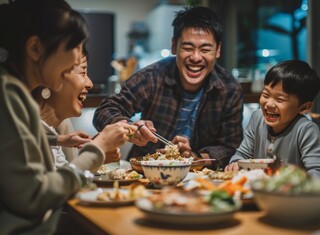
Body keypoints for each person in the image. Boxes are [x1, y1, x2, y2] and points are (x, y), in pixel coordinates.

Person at [0, 0, 136, 235]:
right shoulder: (8, 95)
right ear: (35, 48)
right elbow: (35, 196)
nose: (76, 58)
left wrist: (57, 140)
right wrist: (98, 149)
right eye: (72, 46)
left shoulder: (14, 91)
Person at [93, 6, 244, 168]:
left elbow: (231, 147)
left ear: (218, 50)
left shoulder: (229, 88)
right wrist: (132, 129)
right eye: (187, 48)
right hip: (145, 175)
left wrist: (195, 157)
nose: (195, 57)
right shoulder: (153, 76)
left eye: (205, 49)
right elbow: (105, 110)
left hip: (200, 179)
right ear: (174, 46)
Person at [225, 60, 320, 177]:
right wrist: (234, 164)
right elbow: (241, 154)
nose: (269, 104)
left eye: (280, 100)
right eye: (265, 95)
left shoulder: (306, 130)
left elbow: (318, 172)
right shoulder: (257, 118)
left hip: (290, 192)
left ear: (304, 107)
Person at [33, 48, 121, 172]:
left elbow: (68, 175)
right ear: (53, 77)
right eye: (83, 72)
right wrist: (98, 148)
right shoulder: (19, 132)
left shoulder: (60, 127)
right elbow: (55, 186)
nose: (90, 83)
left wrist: (95, 155)